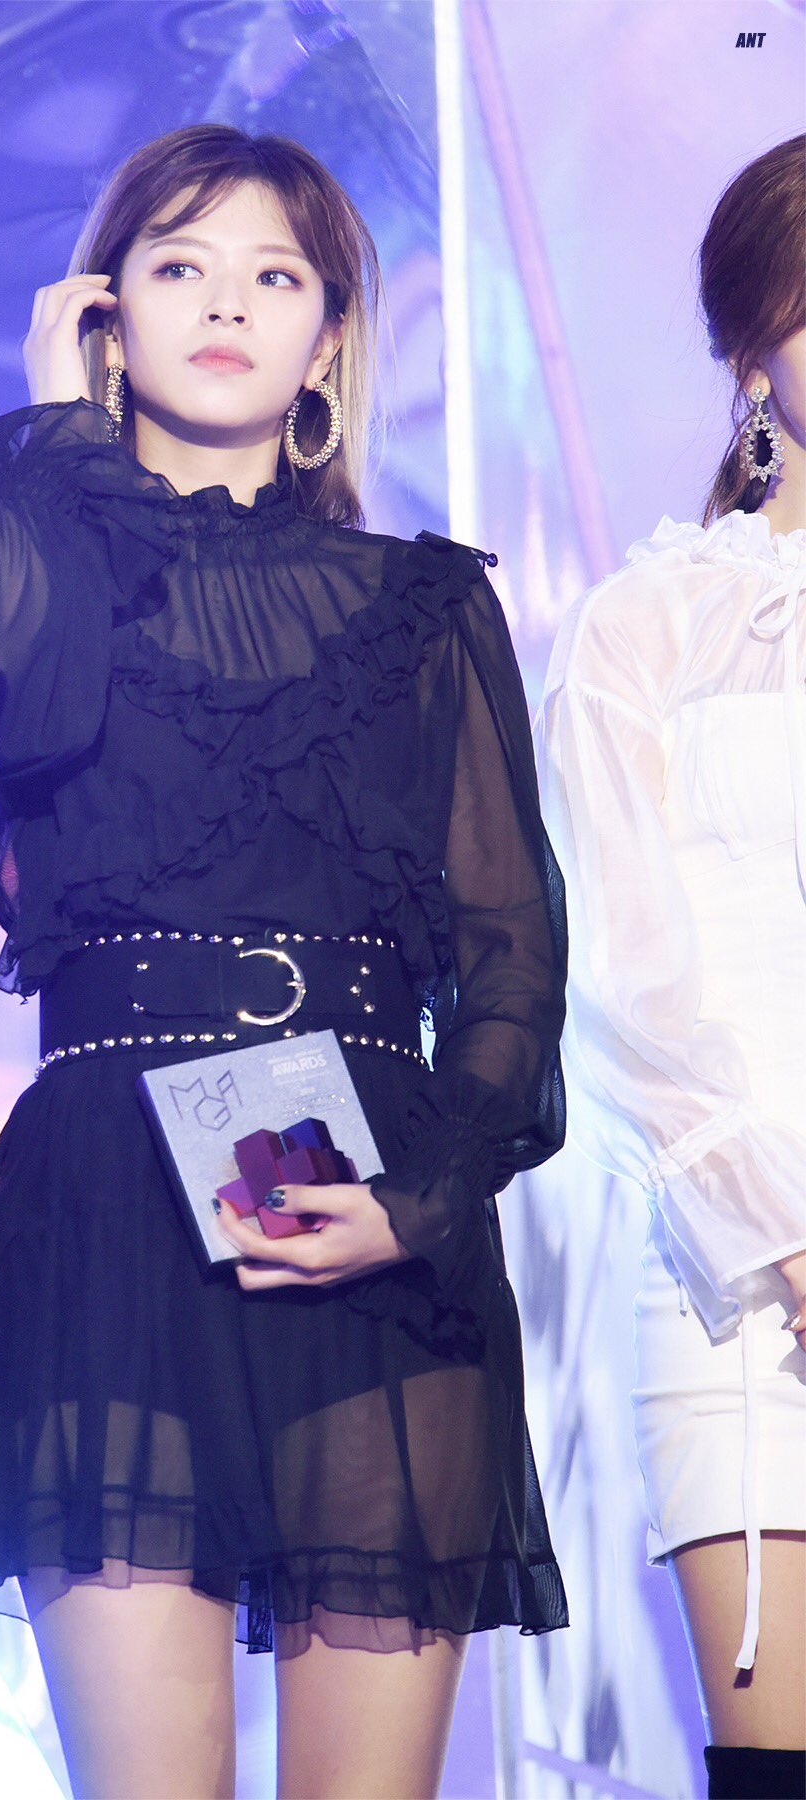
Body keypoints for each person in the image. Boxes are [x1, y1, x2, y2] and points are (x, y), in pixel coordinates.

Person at [0, 124, 568, 1800]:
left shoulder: (426, 607)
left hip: (363, 1199)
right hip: (109, 1207)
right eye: (180, 266)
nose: (226, 305)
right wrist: (55, 427)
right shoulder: (39, 555)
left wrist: (420, 1199)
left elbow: (513, 949)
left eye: (276, 276)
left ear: (329, 340)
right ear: (106, 312)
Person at [535, 135, 806, 1800]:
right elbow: (619, 984)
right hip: (745, 1294)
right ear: (754, 355)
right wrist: (788, 1235)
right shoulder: (649, 628)